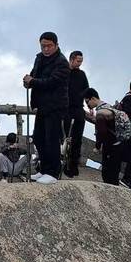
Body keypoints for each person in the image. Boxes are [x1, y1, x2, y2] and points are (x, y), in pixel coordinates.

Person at [23, 32, 70, 183]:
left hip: (55, 105)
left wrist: (34, 81)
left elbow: (52, 82)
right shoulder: (39, 58)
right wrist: (28, 81)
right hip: (42, 105)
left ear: (56, 45)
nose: (46, 49)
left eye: (49, 46)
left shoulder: (62, 62)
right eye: (43, 46)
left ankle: (53, 172)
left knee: (52, 139)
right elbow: (34, 75)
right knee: (38, 137)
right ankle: (43, 169)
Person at [63, 51, 89, 177]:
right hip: (65, 108)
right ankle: (63, 164)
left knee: (77, 139)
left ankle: (73, 167)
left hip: (78, 109)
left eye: (81, 61)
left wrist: (90, 106)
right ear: (71, 59)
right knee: (66, 138)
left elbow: (87, 91)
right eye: (78, 61)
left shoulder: (82, 74)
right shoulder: (63, 72)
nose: (80, 64)